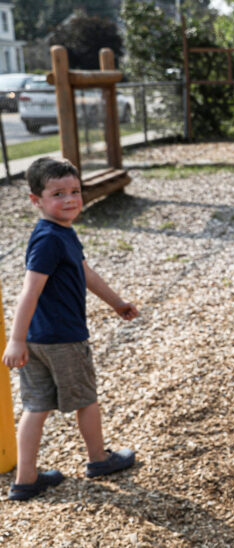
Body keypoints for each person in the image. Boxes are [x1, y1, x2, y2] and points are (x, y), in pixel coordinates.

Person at [2, 158, 139, 501]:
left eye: (75, 191)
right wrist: (15, 340)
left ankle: (26, 479)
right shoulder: (49, 239)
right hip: (62, 339)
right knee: (86, 400)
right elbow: (29, 290)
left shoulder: (61, 233)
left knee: (36, 407)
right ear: (36, 201)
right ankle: (98, 459)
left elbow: (84, 272)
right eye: (58, 194)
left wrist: (116, 302)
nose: (70, 200)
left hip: (38, 340)